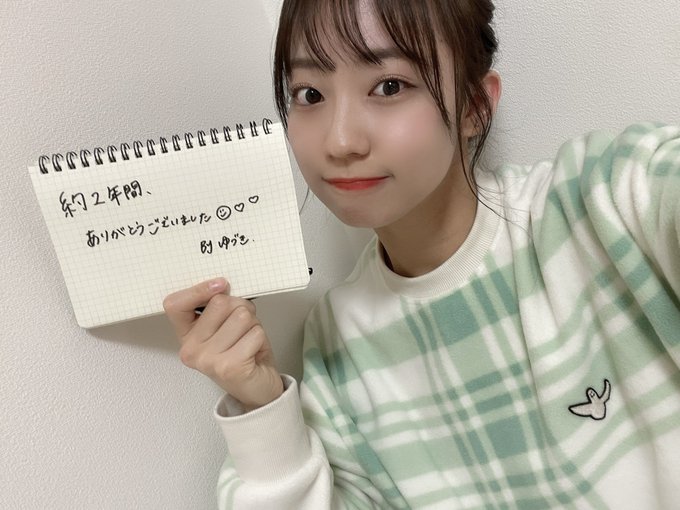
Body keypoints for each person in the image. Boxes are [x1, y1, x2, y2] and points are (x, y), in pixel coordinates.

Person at [163, 0, 680, 508]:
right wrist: (261, 405)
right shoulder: (338, 341)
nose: (340, 141)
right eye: (310, 94)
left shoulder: (600, 202)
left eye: (389, 86)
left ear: (475, 106)